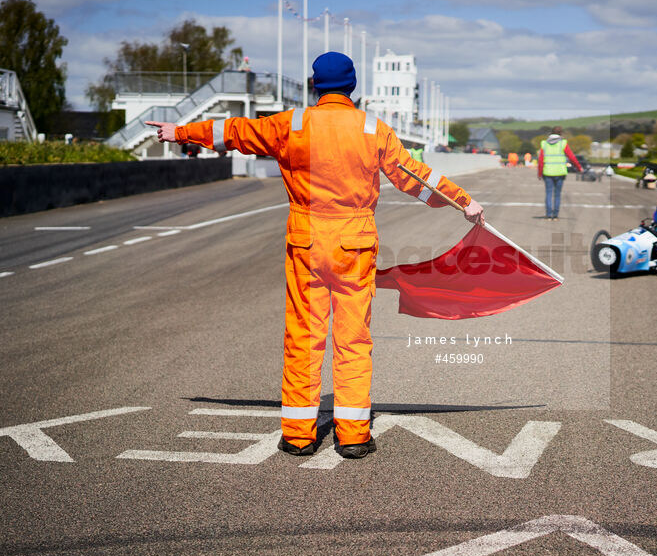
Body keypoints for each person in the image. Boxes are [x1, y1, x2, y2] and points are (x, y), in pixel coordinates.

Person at [145, 52, 484, 460]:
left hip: (306, 240)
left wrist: (180, 131)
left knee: (303, 336)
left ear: (314, 85)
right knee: (353, 338)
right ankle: (354, 435)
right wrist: (463, 201)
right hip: (354, 242)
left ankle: (298, 435)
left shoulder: (292, 124)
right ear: (353, 87)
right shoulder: (373, 128)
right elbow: (413, 176)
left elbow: (235, 131)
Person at [538, 126, 582, 220]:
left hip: (548, 172)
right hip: (560, 172)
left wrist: (539, 173)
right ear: (561, 133)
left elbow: (541, 160)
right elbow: (571, 157)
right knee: (557, 194)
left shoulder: (545, 144)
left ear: (551, 133)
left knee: (549, 194)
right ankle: (556, 215)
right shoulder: (563, 143)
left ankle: (549, 215)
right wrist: (579, 167)